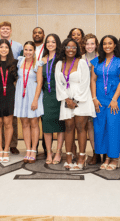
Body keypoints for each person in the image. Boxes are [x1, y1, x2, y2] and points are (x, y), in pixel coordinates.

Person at [55, 38, 96, 170]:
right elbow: (58, 84)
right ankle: (68, 158)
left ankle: (81, 158)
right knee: (68, 127)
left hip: (81, 99)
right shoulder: (59, 64)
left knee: (80, 127)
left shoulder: (82, 63)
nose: (71, 49)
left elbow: (85, 83)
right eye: (68, 47)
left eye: (73, 47)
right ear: (64, 49)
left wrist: (76, 101)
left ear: (77, 49)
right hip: (66, 99)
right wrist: (67, 99)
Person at [91, 35, 120, 170]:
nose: (107, 46)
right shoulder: (96, 61)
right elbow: (93, 80)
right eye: (104, 44)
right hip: (99, 98)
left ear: (114, 45)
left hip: (115, 98)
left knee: (113, 126)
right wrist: (94, 98)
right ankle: (106, 157)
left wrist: (114, 99)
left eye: (110, 43)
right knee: (101, 126)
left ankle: (115, 158)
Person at [0, 21, 22, 155]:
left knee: (10, 121)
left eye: (8, 29)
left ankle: (11, 145)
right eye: (3, 29)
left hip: (10, 90)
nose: (3, 49)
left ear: (11, 30)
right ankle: (0, 145)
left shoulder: (17, 49)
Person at [35, 34, 65, 165]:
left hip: (60, 96)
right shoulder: (42, 60)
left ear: (57, 44)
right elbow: (39, 82)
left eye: (53, 42)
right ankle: (49, 152)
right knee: (46, 125)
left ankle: (58, 151)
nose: (50, 44)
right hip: (46, 96)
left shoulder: (62, 59)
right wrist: (35, 99)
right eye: (48, 42)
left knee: (60, 125)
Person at [14, 41, 44, 163]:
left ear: (34, 51)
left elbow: (40, 82)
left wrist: (35, 100)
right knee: (24, 123)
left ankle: (34, 150)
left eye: (30, 50)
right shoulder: (20, 61)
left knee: (34, 123)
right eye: (26, 49)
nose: (28, 52)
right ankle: (27, 149)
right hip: (21, 95)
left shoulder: (38, 64)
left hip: (33, 95)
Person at [0, 39, 18, 163]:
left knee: (8, 123)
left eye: (6, 47)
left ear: (9, 49)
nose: (4, 49)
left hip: (10, 95)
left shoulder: (15, 63)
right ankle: (0, 149)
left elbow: (18, 80)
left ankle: (6, 150)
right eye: (1, 47)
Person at [81, 33, 101, 165]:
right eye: (87, 43)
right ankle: (95, 153)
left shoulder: (101, 59)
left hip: (98, 95)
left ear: (96, 45)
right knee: (89, 126)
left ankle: (101, 151)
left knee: (99, 125)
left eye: (92, 43)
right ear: (84, 45)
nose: (90, 46)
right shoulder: (80, 59)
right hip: (84, 95)